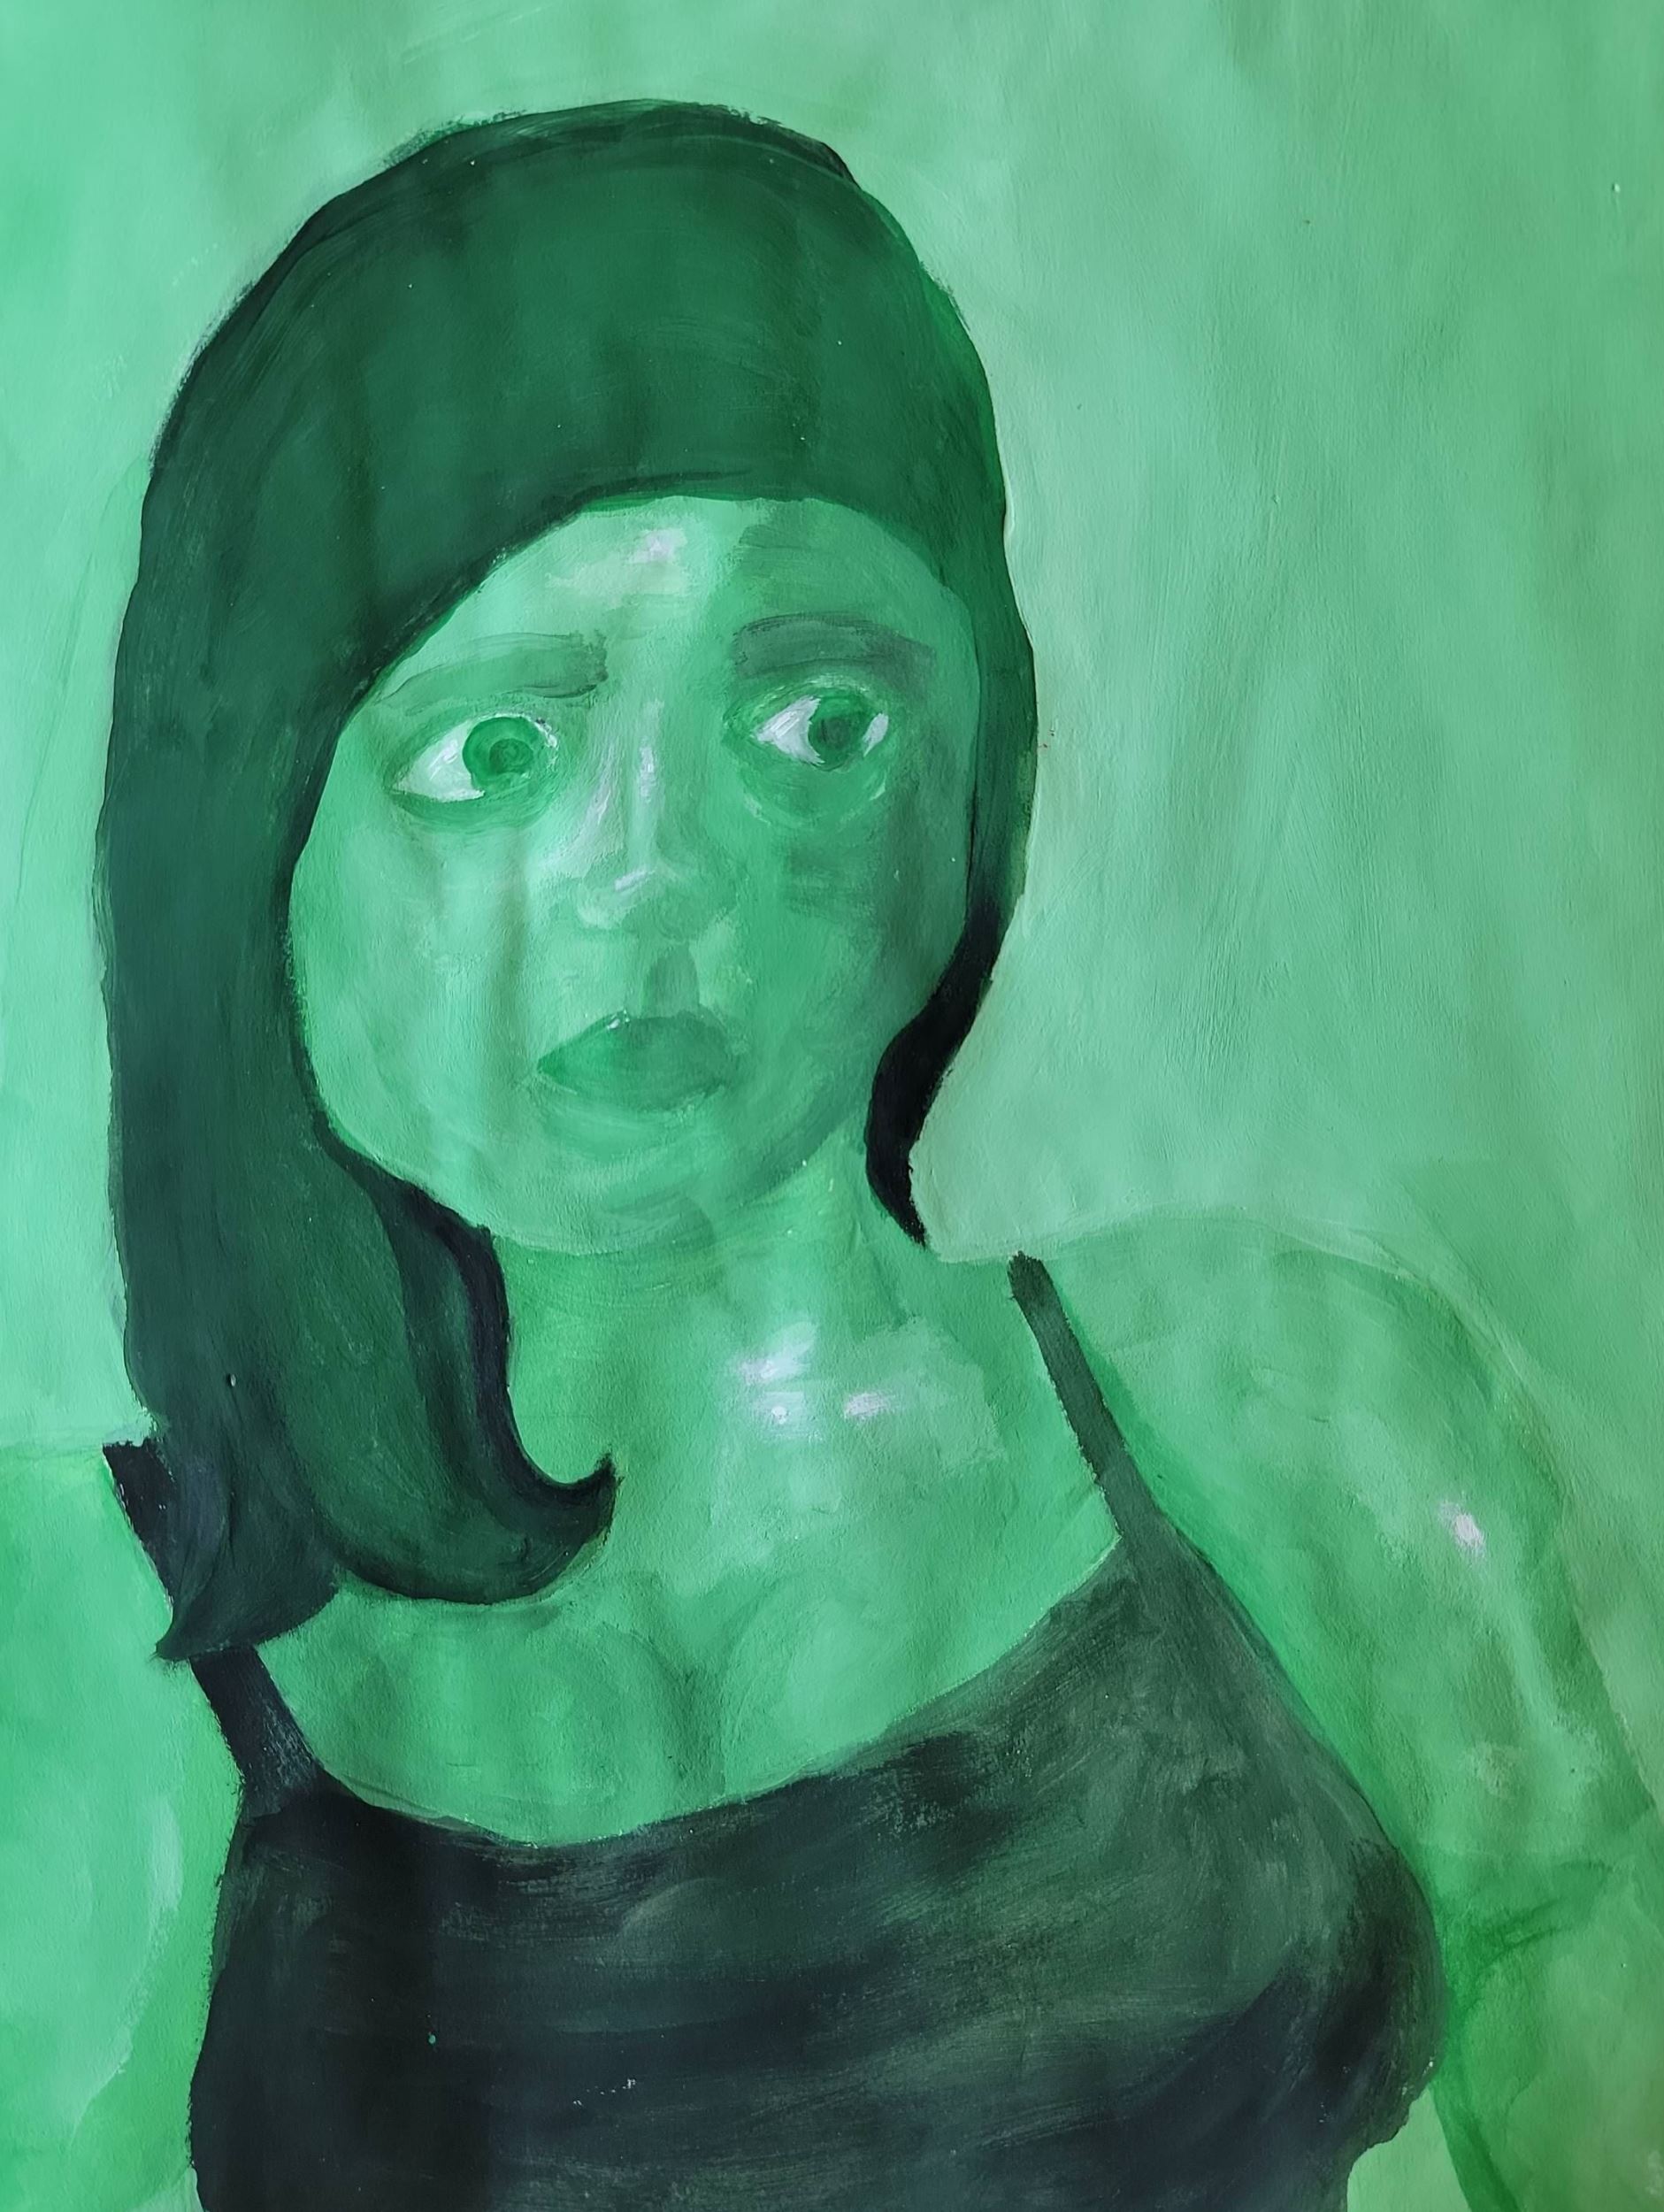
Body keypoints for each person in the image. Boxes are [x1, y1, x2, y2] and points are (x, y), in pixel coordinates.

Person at [6, 99, 1656, 2212]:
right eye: (494, 750)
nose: (655, 870)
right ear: (248, 835)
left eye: (811, 722)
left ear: (974, 761)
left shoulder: (1278, 1421)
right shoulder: (89, 1642)